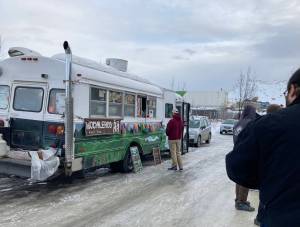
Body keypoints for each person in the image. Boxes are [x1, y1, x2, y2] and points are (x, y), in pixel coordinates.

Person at [226, 68, 300, 227]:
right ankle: (240, 200)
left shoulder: (268, 124)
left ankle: (240, 200)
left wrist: (266, 179)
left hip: (280, 216)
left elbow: (236, 166)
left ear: (293, 90)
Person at [254, 104, 282, 226]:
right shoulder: (273, 127)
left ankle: (260, 218)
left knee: (265, 198)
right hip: (273, 173)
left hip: (268, 173)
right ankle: (260, 218)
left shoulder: (260, 125)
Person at [233, 105, 257, 212]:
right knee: (245, 179)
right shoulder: (250, 123)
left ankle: (238, 199)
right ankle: (241, 202)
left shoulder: (239, 123)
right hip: (246, 154)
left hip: (237, 152)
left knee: (239, 179)